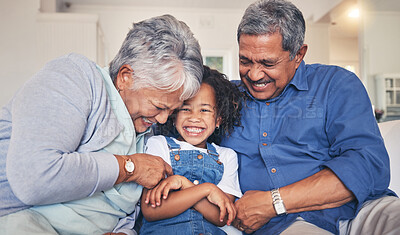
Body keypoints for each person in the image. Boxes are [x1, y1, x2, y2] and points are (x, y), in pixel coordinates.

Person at [0, 14, 203, 234]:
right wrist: (130, 167)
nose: (163, 119)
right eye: (158, 106)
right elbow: (33, 179)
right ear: (126, 77)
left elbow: (131, 212)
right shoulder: (75, 76)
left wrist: (124, 232)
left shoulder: (147, 131)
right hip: (26, 220)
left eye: (171, 111)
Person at [219, 0, 400, 234]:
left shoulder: (336, 84)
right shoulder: (223, 99)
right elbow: (180, 133)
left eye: (268, 63)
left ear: (298, 54)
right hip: (287, 225)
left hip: (362, 209)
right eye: (245, 61)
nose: (254, 74)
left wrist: (274, 202)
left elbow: (367, 166)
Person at [139, 66, 243, 235]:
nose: (194, 117)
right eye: (185, 109)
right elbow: (151, 211)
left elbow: (221, 217)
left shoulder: (226, 156)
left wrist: (182, 183)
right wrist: (207, 190)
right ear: (173, 115)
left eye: (204, 110)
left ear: (218, 119)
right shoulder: (158, 145)